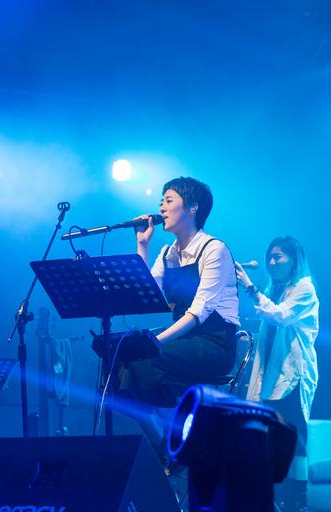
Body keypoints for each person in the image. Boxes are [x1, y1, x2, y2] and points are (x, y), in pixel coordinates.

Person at [118, 176, 239, 458]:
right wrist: (142, 246)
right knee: (117, 360)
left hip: (214, 343)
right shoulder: (167, 253)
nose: (161, 207)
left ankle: (172, 444)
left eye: (169, 200)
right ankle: (164, 444)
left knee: (140, 361)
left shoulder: (213, 249)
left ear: (192, 208)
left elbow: (199, 312)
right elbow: (145, 296)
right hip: (182, 342)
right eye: (161, 201)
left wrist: (154, 342)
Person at [236, 236, 319, 512]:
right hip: (272, 375)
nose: (272, 262)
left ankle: (299, 499)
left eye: (278, 257)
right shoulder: (275, 288)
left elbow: (281, 316)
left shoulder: (304, 288)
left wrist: (250, 287)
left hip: (293, 375)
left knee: (294, 437)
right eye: (269, 257)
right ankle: (275, 497)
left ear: (294, 260)